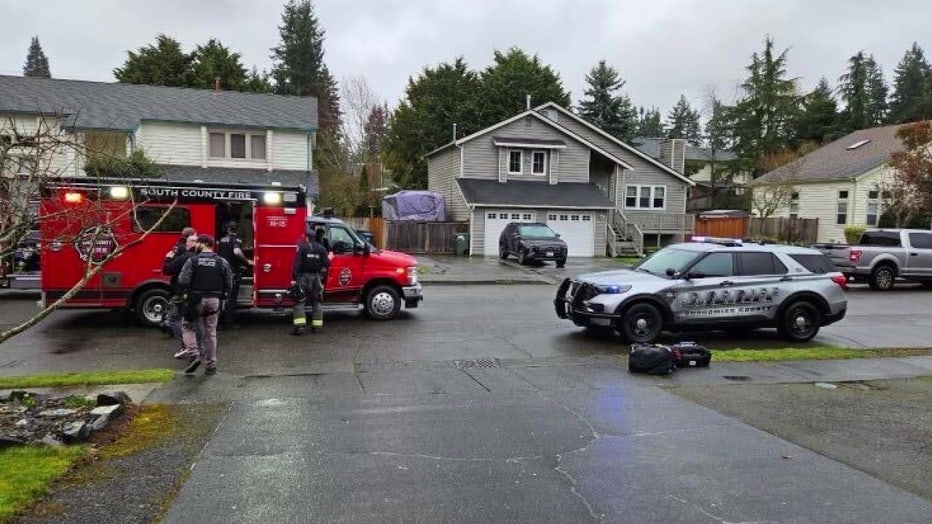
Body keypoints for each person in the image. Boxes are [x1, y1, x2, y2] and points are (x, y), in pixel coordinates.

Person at [178, 234, 233, 375]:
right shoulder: (222, 262)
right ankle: (211, 364)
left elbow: (183, 280)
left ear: (202, 244)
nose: (195, 245)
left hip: (196, 299)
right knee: (210, 332)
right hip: (214, 300)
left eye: (197, 243)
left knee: (188, 326)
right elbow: (229, 283)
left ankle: (194, 354)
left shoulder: (193, 261)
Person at [162, 232, 200, 358]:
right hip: (196, 294)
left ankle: (186, 345)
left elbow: (167, 269)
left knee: (172, 320)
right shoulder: (200, 257)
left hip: (180, 293)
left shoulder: (184, 257)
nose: (185, 243)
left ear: (190, 243)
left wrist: (168, 257)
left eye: (188, 242)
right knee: (194, 321)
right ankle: (197, 346)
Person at [291, 230, 330, 336]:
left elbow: (297, 264)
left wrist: (294, 278)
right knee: (317, 301)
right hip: (316, 278)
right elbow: (327, 264)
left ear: (307, 237)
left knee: (300, 302)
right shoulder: (322, 248)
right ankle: (317, 327)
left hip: (303, 277)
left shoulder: (302, 247)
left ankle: (299, 328)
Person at [217, 221, 253, 329]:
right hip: (232, 273)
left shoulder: (222, 240)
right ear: (236, 229)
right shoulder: (236, 239)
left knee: (221, 298)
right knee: (231, 298)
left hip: (221, 272)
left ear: (227, 229)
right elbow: (237, 252)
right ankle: (229, 323)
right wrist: (247, 261)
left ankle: (218, 323)